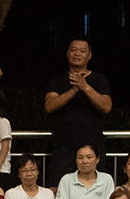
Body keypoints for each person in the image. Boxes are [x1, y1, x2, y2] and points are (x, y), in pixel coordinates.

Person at [43, 38, 113, 168]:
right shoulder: (57, 80)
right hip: (63, 146)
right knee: (57, 187)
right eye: (73, 50)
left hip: (92, 146)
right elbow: (49, 106)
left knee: (94, 186)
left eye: (82, 51)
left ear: (89, 55)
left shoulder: (99, 79)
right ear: (68, 53)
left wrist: (85, 86)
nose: (77, 54)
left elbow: (107, 106)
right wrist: (74, 89)